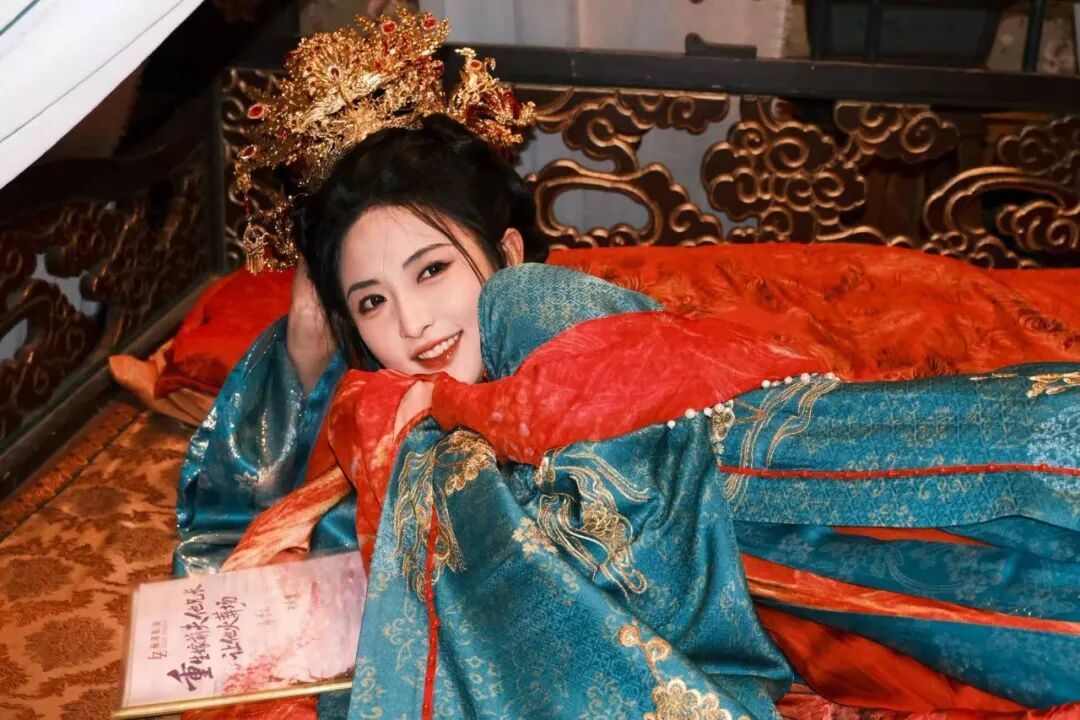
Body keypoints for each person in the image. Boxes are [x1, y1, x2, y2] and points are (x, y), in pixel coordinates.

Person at [177, 10, 1080, 720]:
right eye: (371, 301)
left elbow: (656, 470)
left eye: (432, 270)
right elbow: (259, 527)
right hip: (793, 600)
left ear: (505, 252)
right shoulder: (400, 419)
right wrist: (307, 337)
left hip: (815, 492)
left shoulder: (531, 303)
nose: (411, 323)